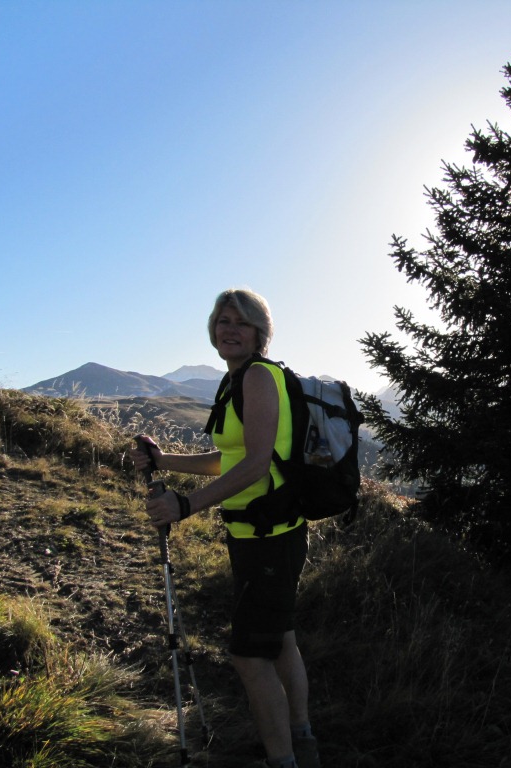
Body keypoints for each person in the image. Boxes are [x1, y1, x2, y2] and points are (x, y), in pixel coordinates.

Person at [131, 288, 319, 768]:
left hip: (269, 536)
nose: (230, 329)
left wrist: (185, 505)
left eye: (241, 322)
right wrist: (164, 460)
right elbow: (229, 459)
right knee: (281, 638)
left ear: (260, 332)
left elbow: (256, 464)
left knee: (250, 656)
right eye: (223, 321)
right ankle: (302, 742)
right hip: (262, 531)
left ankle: (283, 759)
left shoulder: (257, 376)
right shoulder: (234, 380)